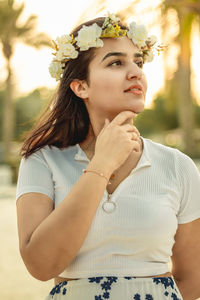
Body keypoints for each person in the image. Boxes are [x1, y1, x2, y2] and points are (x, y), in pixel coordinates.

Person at [16, 13, 200, 300]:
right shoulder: (43, 160)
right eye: (116, 62)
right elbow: (40, 266)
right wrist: (101, 165)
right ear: (80, 86)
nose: (135, 72)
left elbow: (191, 279)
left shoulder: (177, 165)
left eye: (138, 62)